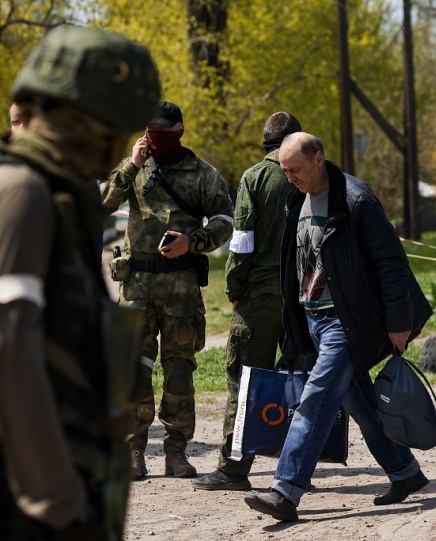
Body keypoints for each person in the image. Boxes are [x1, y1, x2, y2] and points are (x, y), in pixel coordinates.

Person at [0, 25, 161, 540]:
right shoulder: (22, 192)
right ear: (83, 119)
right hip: (35, 502)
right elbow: (8, 349)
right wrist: (55, 496)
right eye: (114, 127)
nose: (117, 144)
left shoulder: (60, 196)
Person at [243, 132, 433, 522]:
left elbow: (391, 262)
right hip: (314, 317)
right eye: (284, 171)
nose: (289, 178)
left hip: (346, 322)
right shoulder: (296, 197)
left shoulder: (355, 200)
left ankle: (285, 491)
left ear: (318, 159)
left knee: (315, 402)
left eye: (295, 170)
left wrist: (398, 322)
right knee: (361, 403)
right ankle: (405, 472)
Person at [101, 101, 234, 480]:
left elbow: (226, 220)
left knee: (179, 370)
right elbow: (102, 201)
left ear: (179, 131)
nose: (155, 139)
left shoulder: (203, 173)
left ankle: (176, 452)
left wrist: (192, 242)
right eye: (150, 132)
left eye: (162, 133)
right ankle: (133, 451)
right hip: (137, 284)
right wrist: (132, 165)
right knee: (134, 369)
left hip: (181, 285)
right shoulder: (137, 168)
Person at [192, 112, 301, 491]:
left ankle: (233, 471)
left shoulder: (254, 177)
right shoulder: (318, 175)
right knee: (300, 382)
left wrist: (236, 290)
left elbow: (241, 242)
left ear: (266, 143)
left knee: (246, 382)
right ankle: (296, 469)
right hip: (307, 298)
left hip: (260, 295)